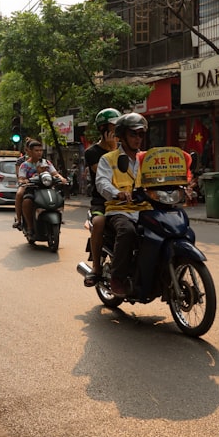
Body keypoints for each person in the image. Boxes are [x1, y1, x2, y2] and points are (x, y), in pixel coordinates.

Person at [94, 113, 151, 298]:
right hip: (119, 210)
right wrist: (117, 193)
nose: (138, 139)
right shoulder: (108, 159)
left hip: (145, 209)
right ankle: (117, 279)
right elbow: (102, 183)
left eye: (140, 135)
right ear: (122, 136)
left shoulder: (147, 159)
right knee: (127, 231)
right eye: (133, 134)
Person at [82, 108, 121, 286]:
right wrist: (114, 149)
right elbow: (106, 178)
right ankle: (96, 268)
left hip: (128, 200)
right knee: (98, 223)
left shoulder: (126, 148)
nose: (117, 131)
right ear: (103, 129)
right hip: (102, 201)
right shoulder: (92, 153)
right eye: (114, 127)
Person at [15, 138, 66, 236]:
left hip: (46, 188)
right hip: (31, 189)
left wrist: (62, 179)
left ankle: (59, 218)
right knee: (24, 198)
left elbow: (55, 174)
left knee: (59, 197)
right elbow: (21, 178)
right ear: (30, 151)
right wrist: (24, 181)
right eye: (36, 150)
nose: (39, 153)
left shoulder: (46, 162)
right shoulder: (24, 165)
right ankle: (26, 224)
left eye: (40, 150)